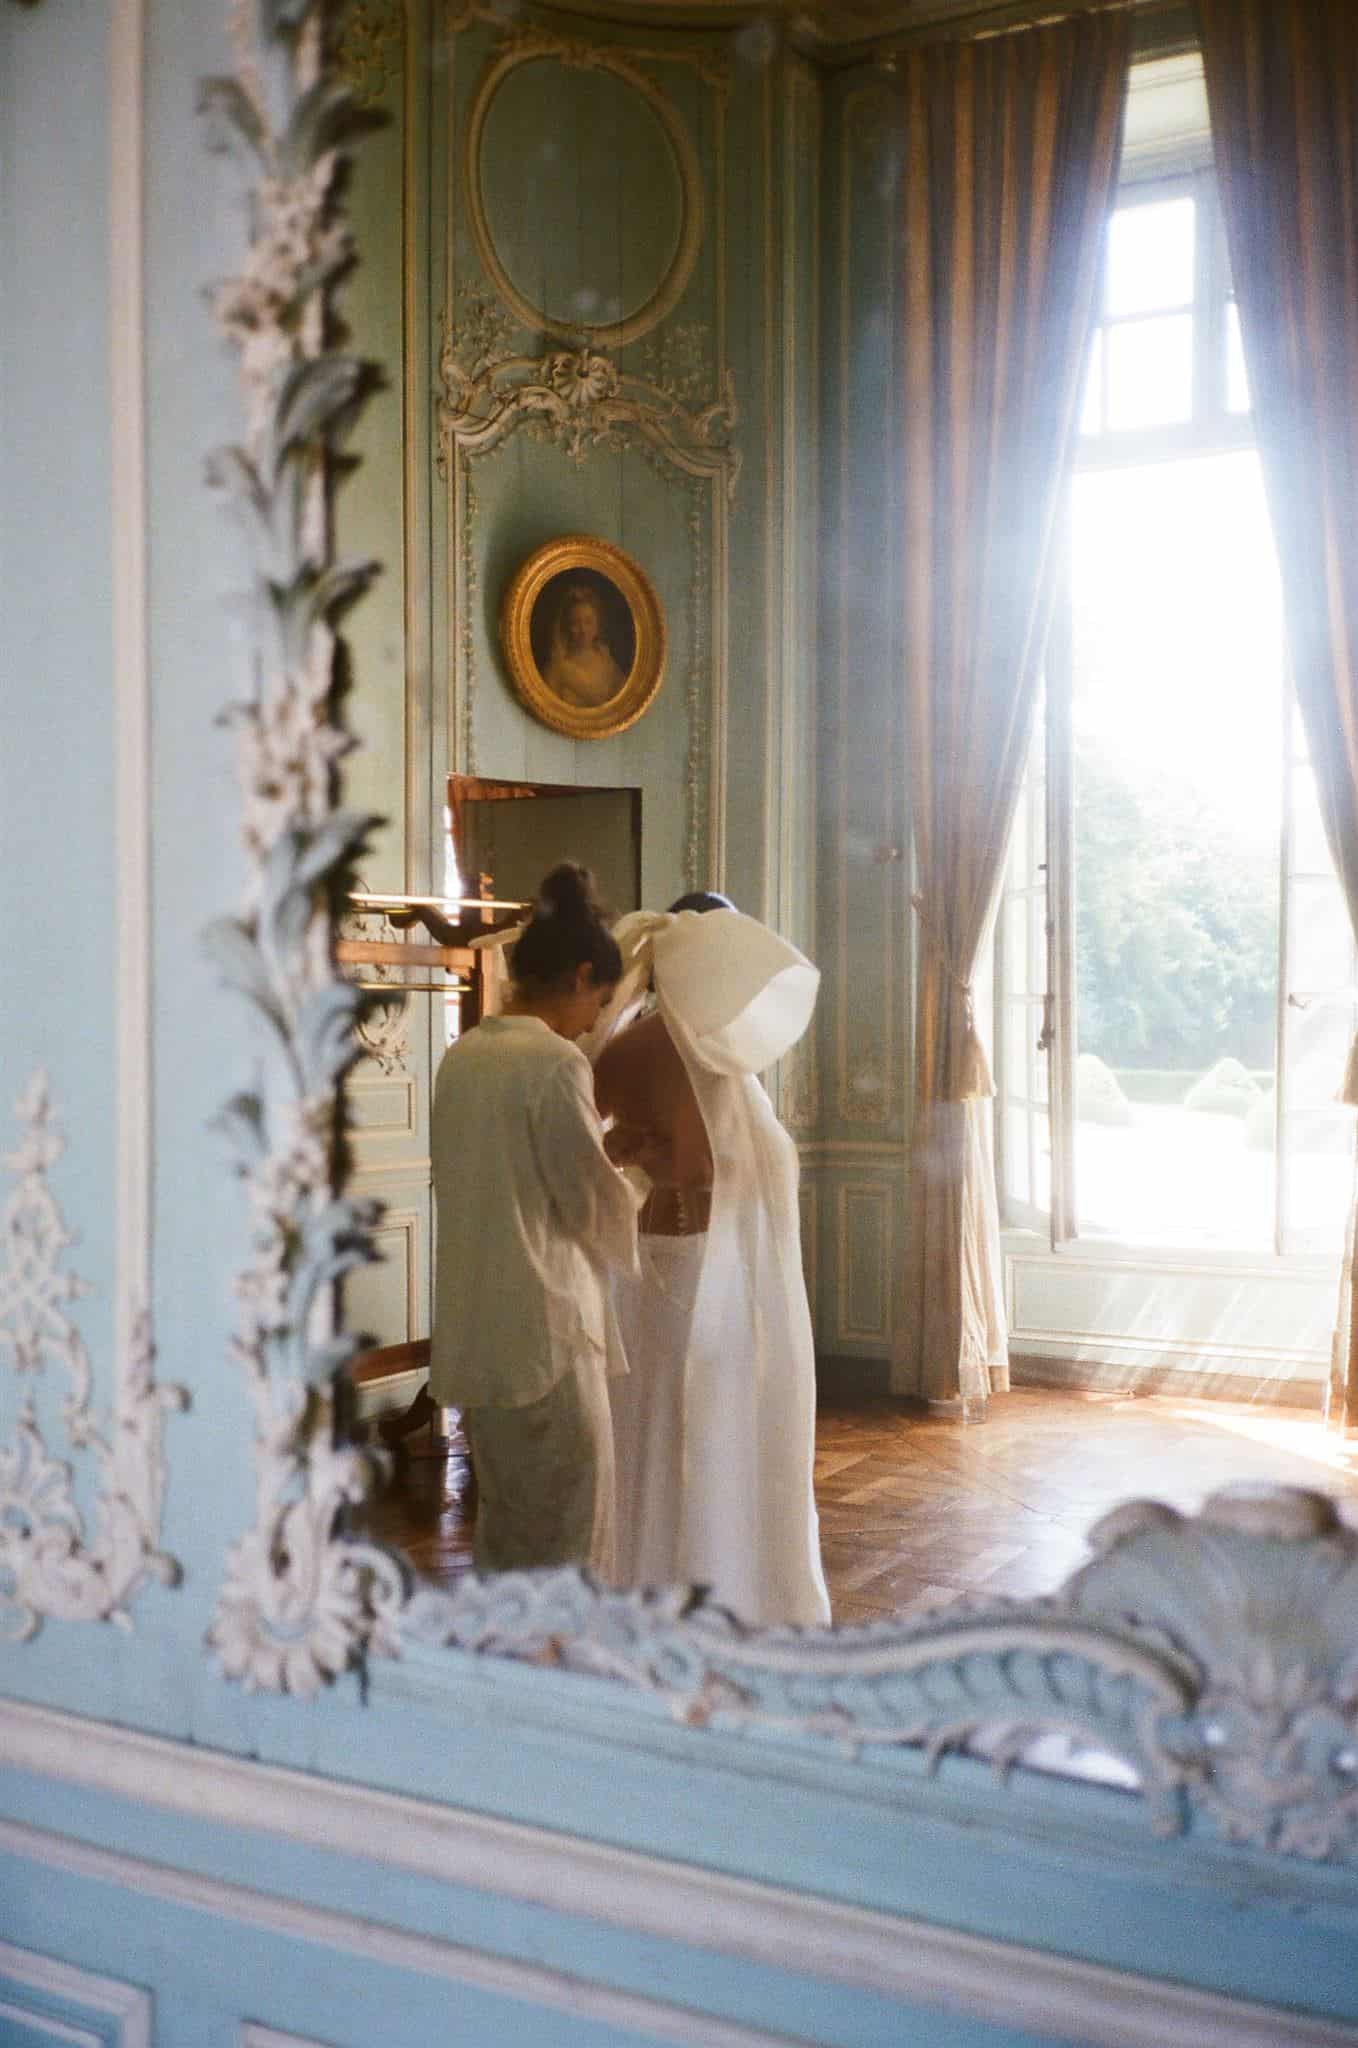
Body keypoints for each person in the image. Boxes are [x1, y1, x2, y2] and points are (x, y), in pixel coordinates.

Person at [590, 893, 832, 1629]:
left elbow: (599, 1150)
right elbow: (693, 1169)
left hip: (667, 1264)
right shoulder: (719, 1057)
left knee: (663, 1424)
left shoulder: (639, 1051)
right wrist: (646, 1153)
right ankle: (720, 1589)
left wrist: (633, 1149)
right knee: (711, 1426)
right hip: (695, 1272)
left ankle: (666, 1584)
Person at [427, 863, 642, 1577]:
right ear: (581, 977)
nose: (596, 1020)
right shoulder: (555, 1063)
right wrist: (632, 1172)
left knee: (506, 1530)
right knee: (575, 1533)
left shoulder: (462, 1056)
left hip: (479, 1333)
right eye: (600, 1001)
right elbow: (587, 1200)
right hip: (548, 1328)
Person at [541, 583, 626, 708]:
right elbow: (549, 708)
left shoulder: (606, 658)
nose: (583, 630)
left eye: (588, 622)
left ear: (597, 624)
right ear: (567, 627)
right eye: (576, 623)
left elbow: (624, 698)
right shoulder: (558, 667)